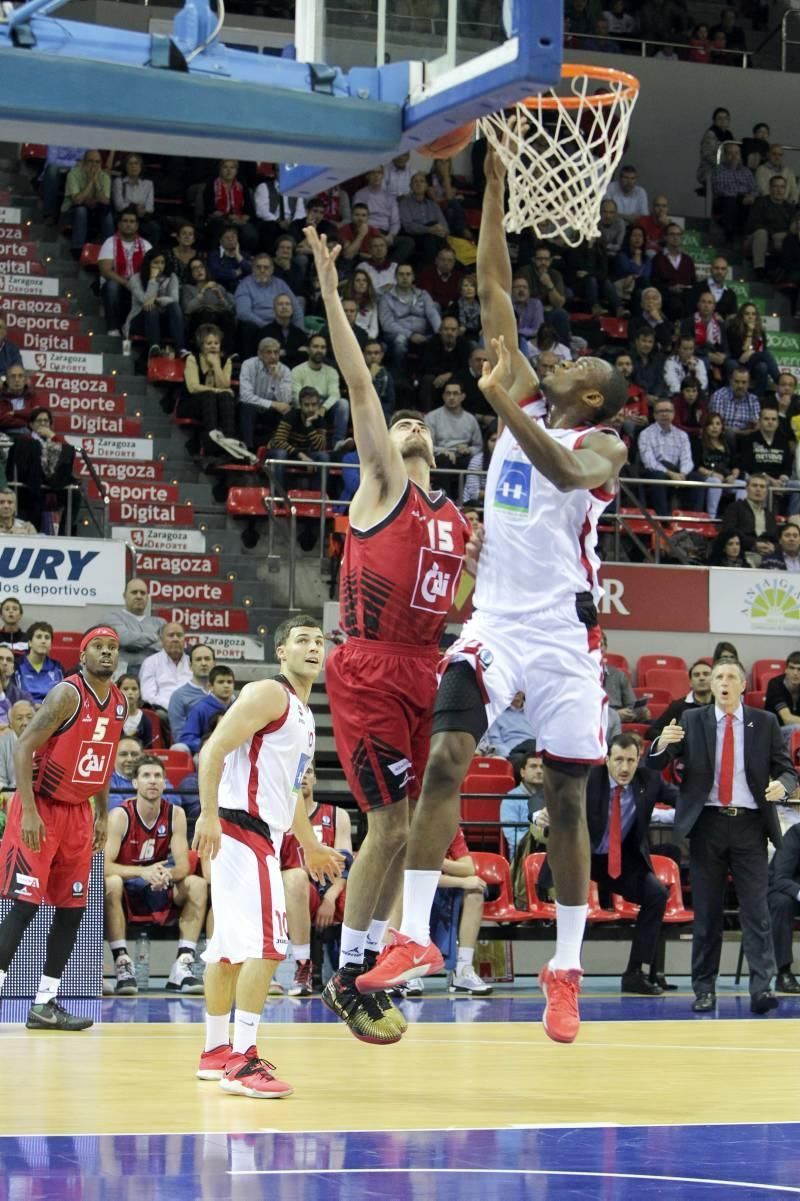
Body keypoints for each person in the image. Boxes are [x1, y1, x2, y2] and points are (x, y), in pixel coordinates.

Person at [356, 142, 628, 1046]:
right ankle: (413, 941)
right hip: (498, 623)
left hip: (566, 639)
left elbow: (556, 463)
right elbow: (495, 290)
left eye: (571, 363)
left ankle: (563, 967)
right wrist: (496, 196)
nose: (553, 358)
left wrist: (505, 406)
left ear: (588, 393)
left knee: (566, 803)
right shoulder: (519, 381)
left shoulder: (604, 447)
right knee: (444, 760)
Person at [303, 226, 475, 1045]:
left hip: (426, 664)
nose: (404, 426)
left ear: (436, 449)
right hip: (369, 663)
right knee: (385, 824)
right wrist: (335, 294)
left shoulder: (456, 519)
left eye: (417, 427)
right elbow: (361, 382)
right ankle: (347, 966)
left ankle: (365, 963)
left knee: (408, 829)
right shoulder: (383, 483)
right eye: (396, 424)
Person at [191, 615, 344, 1097]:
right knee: (268, 946)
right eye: (302, 640)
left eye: (319, 641)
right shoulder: (268, 694)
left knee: (230, 950)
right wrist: (208, 814)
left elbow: (292, 791)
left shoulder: (303, 714)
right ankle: (244, 1059)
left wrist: (311, 844)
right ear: (281, 651)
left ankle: (216, 1051)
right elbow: (211, 751)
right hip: (239, 829)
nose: (314, 647)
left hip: (259, 835)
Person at [649, 660, 796, 1013]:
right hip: (707, 825)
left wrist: (783, 786)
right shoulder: (691, 720)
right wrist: (659, 743)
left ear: (744, 685)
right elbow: (656, 763)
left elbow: (786, 769)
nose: (724, 682)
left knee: (756, 911)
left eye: (731, 677)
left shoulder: (764, 722)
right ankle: (704, 989)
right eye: (718, 677)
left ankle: (762, 987)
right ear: (711, 686)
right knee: (708, 913)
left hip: (750, 824)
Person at [0, 627, 126, 1029]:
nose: (106, 654)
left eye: (112, 649)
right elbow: (24, 747)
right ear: (83, 654)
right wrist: (31, 812)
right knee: (24, 906)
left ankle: (45, 1003)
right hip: (41, 807)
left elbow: (102, 761)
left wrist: (103, 814)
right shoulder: (66, 695)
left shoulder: (119, 703)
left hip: (79, 814)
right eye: (98, 648)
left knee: (72, 910)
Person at [103, 753, 208, 995]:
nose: (153, 781)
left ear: (164, 782)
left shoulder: (176, 814)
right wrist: (144, 871)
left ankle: (182, 965)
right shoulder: (120, 815)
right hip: (129, 888)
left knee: (196, 884)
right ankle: (122, 964)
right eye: (146, 776)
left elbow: (183, 866)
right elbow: (105, 866)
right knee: (112, 883)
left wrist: (165, 875)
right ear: (135, 783)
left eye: (158, 776)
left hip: (160, 885)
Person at [584, 733, 676, 995]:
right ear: (607, 759)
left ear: (639, 761)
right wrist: (540, 814)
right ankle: (566, 971)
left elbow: (683, 799)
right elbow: (553, 797)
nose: (625, 768)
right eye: (619, 760)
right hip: (582, 857)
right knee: (575, 906)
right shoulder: (589, 778)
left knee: (656, 894)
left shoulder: (649, 779)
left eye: (631, 760)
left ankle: (635, 973)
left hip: (620, 860)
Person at [280, 760, 353, 997]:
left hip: (333, 889)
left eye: (308, 771)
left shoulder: (337, 815)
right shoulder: (277, 818)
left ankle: (366, 966)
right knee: (295, 878)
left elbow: (345, 865)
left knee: (373, 883)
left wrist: (330, 898)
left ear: (315, 778)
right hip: (293, 892)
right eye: (298, 772)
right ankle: (303, 967)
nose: (303, 777)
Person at [124, 248, 185, 356]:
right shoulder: (135, 279)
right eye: (156, 262)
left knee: (174, 306)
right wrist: (152, 279)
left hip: (163, 321)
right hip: (139, 320)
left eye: (162, 262)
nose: (159, 266)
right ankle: (154, 346)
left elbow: (174, 299)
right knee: (151, 308)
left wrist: (156, 299)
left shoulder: (172, 278)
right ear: (148, 263)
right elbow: (145, 301)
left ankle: (180, 349)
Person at [768, 822, 800, 994]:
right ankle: (784, 972)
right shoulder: (796, 833)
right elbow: (781, 878)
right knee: (783, 903)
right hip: (788, 891)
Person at [175, 665, 236, 756]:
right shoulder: (200, 708)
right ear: (210, 686)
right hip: (206, 753)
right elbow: (188, 738)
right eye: (221, 682)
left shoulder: (239, 707)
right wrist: (208, 744)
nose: (226, 685)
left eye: (229, 682)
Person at [108, 578, 164, 674]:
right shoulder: (112, 618)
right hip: (125, 675)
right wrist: (155, 637)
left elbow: (166, 646)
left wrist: (135, 642)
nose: (139, 596)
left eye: (143, 593)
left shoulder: (160, 622)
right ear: (125, 596)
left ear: (147, 597)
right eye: (134, 592)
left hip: (155, 673)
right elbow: (125, 639)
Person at [647, 660, 713, 739]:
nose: (701, 678)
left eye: (706, 674)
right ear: (690, 682)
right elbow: (652, 731)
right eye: (696, 675)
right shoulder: (678, 706)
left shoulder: (722, 705)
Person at [138, 623, 192, 715]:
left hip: (192, 712)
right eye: (171, 635)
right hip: (164, 713)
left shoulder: (192, 662)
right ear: (162, 639)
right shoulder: (151, 662)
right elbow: (148, 696)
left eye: (179, 635)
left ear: (184, 640)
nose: (175, 639)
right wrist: (174, 707)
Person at [500, 751, 545, 861]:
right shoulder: (511, 799)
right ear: (523, 772)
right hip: (523, 858)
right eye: (533, 766)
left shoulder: (554, 797)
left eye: (542, 767)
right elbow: (512, 838)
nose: (539, 771)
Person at [720, 474, 779, 557]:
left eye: (762, 487)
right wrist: (754, 544)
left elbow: (776, 539)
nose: (758, 489)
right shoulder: (735, 508)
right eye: (754, 486)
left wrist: (773, 547)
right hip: (742, 554)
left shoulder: (769, 514)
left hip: (768, 556)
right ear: (747, 489)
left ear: (766, 492)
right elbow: (729, 531)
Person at [167, 644, 216, 744]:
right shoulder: (178, 696)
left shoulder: (226, 695)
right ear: (190, 666)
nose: (203, 663)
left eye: (207, 659)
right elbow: (179, 735)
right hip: (192, 749)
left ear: (214, 663)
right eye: (198, 659)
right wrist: (204, 747)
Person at [16, 623, 64, 706]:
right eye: (39, 637)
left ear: (51, 644)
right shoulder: (17, 666)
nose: (43, 641)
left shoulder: (58, 667)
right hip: (26, 712)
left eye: (47, 637)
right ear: (30, 642)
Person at [764, 652, 800, 743]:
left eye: (799, 669)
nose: (795, 673)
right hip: (774, 731)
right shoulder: (775, 684)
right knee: (797, 729)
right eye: (792, 668)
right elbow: (787, 719)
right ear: (786, 669)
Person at [0, 700, 35, 791]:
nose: (25, 722)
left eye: (29, 717)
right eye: (19, 718)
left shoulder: (45, 742)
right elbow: (1, 781)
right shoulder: (2, 744)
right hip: (10, 795)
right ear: (11, 724)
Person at [117, 674, 154, 748]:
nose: (130, 692)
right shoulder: (111, 718)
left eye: (134, 689)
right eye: (125, 689)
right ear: (117, 691)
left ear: (140, 692)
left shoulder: (146, 721)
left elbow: (148, 748)